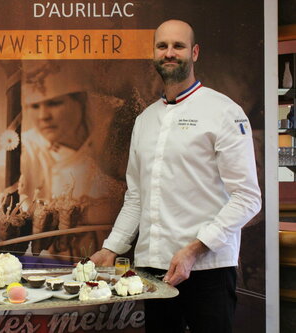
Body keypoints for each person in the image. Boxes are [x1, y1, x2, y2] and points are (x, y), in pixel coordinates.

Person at [90, 19, 261, 332]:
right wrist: (111, 248)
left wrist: (194, 249)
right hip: (153, 271)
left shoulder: (224, 111)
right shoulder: (144, 120)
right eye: (162, 46)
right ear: (154, 54)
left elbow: (247, 198)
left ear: (194, 53)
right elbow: (136, 196)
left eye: (178, 46)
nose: (170, 52)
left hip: (208, 269)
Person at [19, 61, 126, 259]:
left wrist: (83, 213)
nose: (43, 116)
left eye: (54, 103)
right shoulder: (29, 144)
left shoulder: (111, 135)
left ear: (80, 101)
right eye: (34, 106)